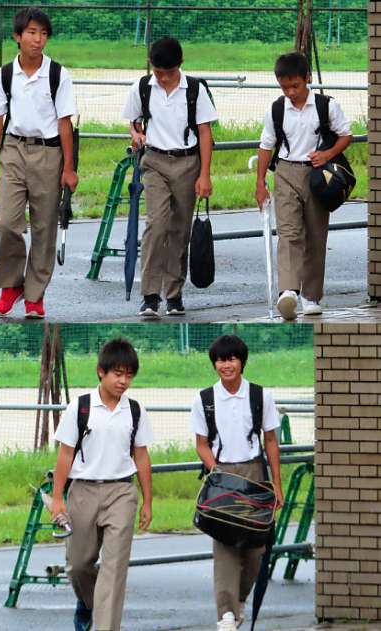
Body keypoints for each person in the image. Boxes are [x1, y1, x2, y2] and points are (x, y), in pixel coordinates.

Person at [51, 338, 153, 631]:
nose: (123, 381)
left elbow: (142, 456)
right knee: (78, 566)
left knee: (114, 568)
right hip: (83, 491)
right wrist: (57, 498)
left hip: (121, 492)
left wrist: (148, 501)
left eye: (129, 375)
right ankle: (88, 602)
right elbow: (65, 455)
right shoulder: (80, 407)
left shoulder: (135, 410)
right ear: (101, 372)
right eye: (117, 374)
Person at [0, 7, 78, 319]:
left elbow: (65, 123)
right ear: (17, 36)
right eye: (32, 33)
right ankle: (11, 285)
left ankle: (35, 295)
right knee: (6, 221)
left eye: (44, 34)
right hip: (13, 149)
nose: (38, 40)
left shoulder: (58, 75)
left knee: (44, 227)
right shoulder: (4, 75)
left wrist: (69, 168)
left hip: (49, 153)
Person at [190, 334, 283, 631]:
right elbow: (201, 444)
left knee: (255, 549)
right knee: (225, 545)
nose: (226, 365)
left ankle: (240, 599)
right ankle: (226, 615)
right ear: (214, 364)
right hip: (222, 477)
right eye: (220, 360)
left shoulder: (261, 396)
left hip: (255, 475)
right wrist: (216, 471)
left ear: (242, 362)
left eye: (231, 359)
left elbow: (271, 441)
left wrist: (276, 485)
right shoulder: (204, 399)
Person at [122, 37, 217, 319]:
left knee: (180, 230)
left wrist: (205, 175)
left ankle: (174, 295)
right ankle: (150, 296)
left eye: (169, 72)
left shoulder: (195, 90)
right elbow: (133, 122)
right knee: (157, 224)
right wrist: (136, 135)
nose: (163, 78)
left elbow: (205, 133)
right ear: (151, 65)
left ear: (180, 65)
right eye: (158, 72)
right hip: (154, 162)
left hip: (188, 163)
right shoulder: (142, 87)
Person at [255, 52, 352, 320]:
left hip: (318, 175)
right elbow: (265, 146)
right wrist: (260, 183)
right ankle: (288, 292)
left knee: (315, 236)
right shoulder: (276, 110)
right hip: (285, 172)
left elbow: (346, 135)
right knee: (288, 233)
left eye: (295, 86)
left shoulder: (326, 106)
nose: (290, 92)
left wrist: (328, 154)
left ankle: (311, 296)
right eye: (284, 87)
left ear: (307, 78)